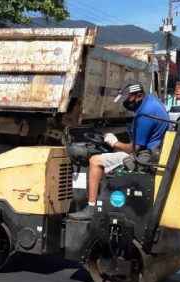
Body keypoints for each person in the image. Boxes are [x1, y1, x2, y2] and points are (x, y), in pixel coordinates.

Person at [70, 83, 169, 220]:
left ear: (139, 96)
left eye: (128, 98)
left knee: (95, 161)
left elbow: (133, 149)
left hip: (143, 157)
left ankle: (91, 208)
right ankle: (101, 200)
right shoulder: (152, 102)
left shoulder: (145, 115)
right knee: (110, 153)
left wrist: (115, 142)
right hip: (153, 151)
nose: (126, 102)